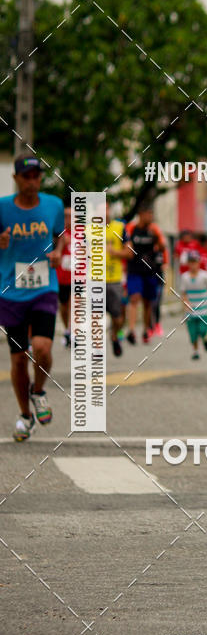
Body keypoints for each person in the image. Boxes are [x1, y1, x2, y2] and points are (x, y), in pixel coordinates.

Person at [0, 155, 65, 440]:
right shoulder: (2, 208)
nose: (32, 181)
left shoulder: (53, 205)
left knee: (42, 347)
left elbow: (59, 233)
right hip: (11, 291)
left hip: (43, 287)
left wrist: (59, 251)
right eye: (26, 176)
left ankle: (38, 391)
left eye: (36, 176)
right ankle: (26, 416)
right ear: (16, 179)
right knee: (18, 360)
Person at [124, 205, 167, 345]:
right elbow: (126, 246)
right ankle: (131, 330)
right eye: (148, 214)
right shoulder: (131, 228)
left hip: (150, 270)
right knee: (134, 298)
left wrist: (158, 238)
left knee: (148, 302)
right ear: (141, 214)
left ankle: (146, 329)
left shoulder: (154, 229)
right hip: (134, 270)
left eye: (151, 214)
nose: (150, 217)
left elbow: (162, 247)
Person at [180, 250, 207, 359]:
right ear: (188, 263)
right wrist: (186, 303)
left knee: (202, 329)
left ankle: (205, 337)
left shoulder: (205, 276)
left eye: (195, 262)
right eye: (191, 262)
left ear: (199, 262)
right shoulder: (185, 277)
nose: (193, 265)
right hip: (191, 310)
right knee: (193, 333)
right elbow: (183, 293)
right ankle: (195, 351)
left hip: (204, 309)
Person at [103, 201, 128, 357]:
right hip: (94, 279)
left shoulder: (119, 228)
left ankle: (114, 336)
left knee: (118, 318)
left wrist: (114, 252)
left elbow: (129, 253)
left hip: (114, 279)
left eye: (105, 208)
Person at [55, 206, 72, 346]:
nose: (69, 219)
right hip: (62, 277)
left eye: (71, 216)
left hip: (78, 276)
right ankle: (67, 329)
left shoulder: (82, 233)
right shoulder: (59, 234)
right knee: (64, 305)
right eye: (66, 216)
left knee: (75, 303)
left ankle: (74, 331)